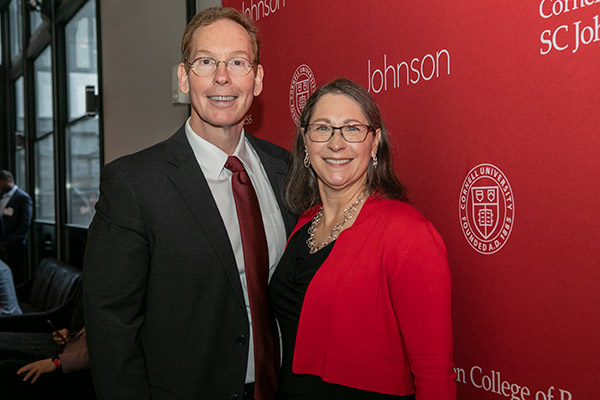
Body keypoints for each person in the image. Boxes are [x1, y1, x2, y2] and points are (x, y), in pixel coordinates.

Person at [82, 6, 296, 400]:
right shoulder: (133, 183)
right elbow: (110, 325)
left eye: (237, 62)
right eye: (205, 62)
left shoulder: (286, 169)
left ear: (258, 78)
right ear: (183, 77)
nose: (222, 77)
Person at [269, 78, 456, 399]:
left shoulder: (407, 233)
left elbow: (434, 374)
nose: (336, 143)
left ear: (375, 143)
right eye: (322, 128)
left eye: (352, 129)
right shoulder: (302, 224)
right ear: (305, 143)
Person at [0, 327, 94, 399]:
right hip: (65, 355)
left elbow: (101, 354)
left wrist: (58, 362)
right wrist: (70, 338)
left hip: (80, 375)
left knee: (8, 370)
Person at [0, 170, 33, 284]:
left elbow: (25, 223)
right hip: (4, 243)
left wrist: (13, 240)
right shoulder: (2, 197)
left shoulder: (23, 197)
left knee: (15, 274)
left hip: (14, 245)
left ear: (8, 180)